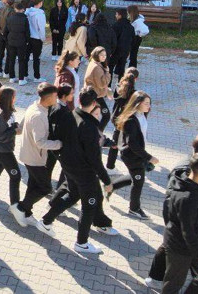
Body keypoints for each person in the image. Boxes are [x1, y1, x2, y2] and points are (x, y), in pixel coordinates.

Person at [37, 88, 118, 253]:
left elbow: (57, 138)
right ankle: (81, 243)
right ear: (94, 104)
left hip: (68, 167)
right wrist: (107, 181)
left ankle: (46, 221)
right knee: (89, 205)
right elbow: (95, 160)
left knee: (73, 195)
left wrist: (61, 158)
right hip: (83, 172)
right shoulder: (89, 127)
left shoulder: (70, 114)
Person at [146, 135, 198, 289]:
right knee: (177, 275)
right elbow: (172, 206)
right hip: (183, 240)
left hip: (188, 234)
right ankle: (155, 278)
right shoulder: (187, 175)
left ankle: (155, 277)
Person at [160, 153, 198, 294]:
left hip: (189, 246)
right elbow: (189, 233)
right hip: (181, 248)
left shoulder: (190, 186)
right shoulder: (189, 198)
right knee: (173, 285)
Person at [12, 83, 62, 227]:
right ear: (50, 97)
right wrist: (59, 143)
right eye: (55, 95)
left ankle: (26, 212)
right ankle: (20, 208)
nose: (57, 98)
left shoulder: (33, 106)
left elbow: (21, 128)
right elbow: (40, 142)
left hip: (30, 154)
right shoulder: (39, 115)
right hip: (34, 157)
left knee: (34, 185)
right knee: (45, 188)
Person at [107, 91, 158, 219]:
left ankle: (110, 187)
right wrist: (149, 157)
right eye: (146, 103)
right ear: (138, 103)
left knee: (135, 176)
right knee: (139, 180)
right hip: (132, 155)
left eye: (149, 103)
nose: (149, 106)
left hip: (137, 153)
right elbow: (132, 144)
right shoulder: (131, 120)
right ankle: (134, 209)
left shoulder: (142, 114)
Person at [106, 68, 139, 171]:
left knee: (115, 143)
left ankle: (110, 166)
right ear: (136, 79)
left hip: (116, 118)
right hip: (126, 121)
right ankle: (132, 167)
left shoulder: (118, 88)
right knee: (131, 143)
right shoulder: (134, 94)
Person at [84, 46, 112, 132]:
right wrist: (107, 72)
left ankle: (93, 133)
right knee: (106, 115)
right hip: (96, 96)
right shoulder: (97, 67)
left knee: (91, 115)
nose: (104, 57)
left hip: (93, 94)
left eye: (105, 55)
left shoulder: (93, 63)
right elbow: (101, 84)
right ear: (97, 55)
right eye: (102, 55)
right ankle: (97, 134)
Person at [4, 2, 30, 85]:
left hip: (11, 41)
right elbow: (27, 32)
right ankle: (21, 79)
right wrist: (27, 41)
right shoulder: (25, 19)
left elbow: (5, 31)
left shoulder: (10, 18)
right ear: (22, 9)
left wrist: (7, 40)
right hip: (21, 41)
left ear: (15, 9)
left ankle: (12, 77)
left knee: (11, 59)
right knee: (21, 60)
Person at [110, 8, 135, 88]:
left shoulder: (115, 25)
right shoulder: (130, 27)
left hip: (116, 51)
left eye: (116, 14)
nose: (115, 16)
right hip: (125, 51)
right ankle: (120, 86)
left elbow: (112, 39)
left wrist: (111, 50)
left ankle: (108, 86)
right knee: (122, 69)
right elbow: (133, 39)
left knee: (110, 67)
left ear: (120, 15)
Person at [25, 0, 48, 82]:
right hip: (37, 38)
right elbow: (41, 27)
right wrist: (43, 38)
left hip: (28, 37)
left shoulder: (27, 12)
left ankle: (25, 75)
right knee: (36, 58)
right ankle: (37, 77)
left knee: (26, 57)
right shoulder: (40, 13)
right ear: (40, 3)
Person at [0, 0, 15, 77]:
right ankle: (6, 71)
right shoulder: (12, 12)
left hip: (1, 33)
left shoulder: (1, 9)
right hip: (8, 35)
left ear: (6, 2)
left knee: (0, 52)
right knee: (9, 53)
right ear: (13, 3)